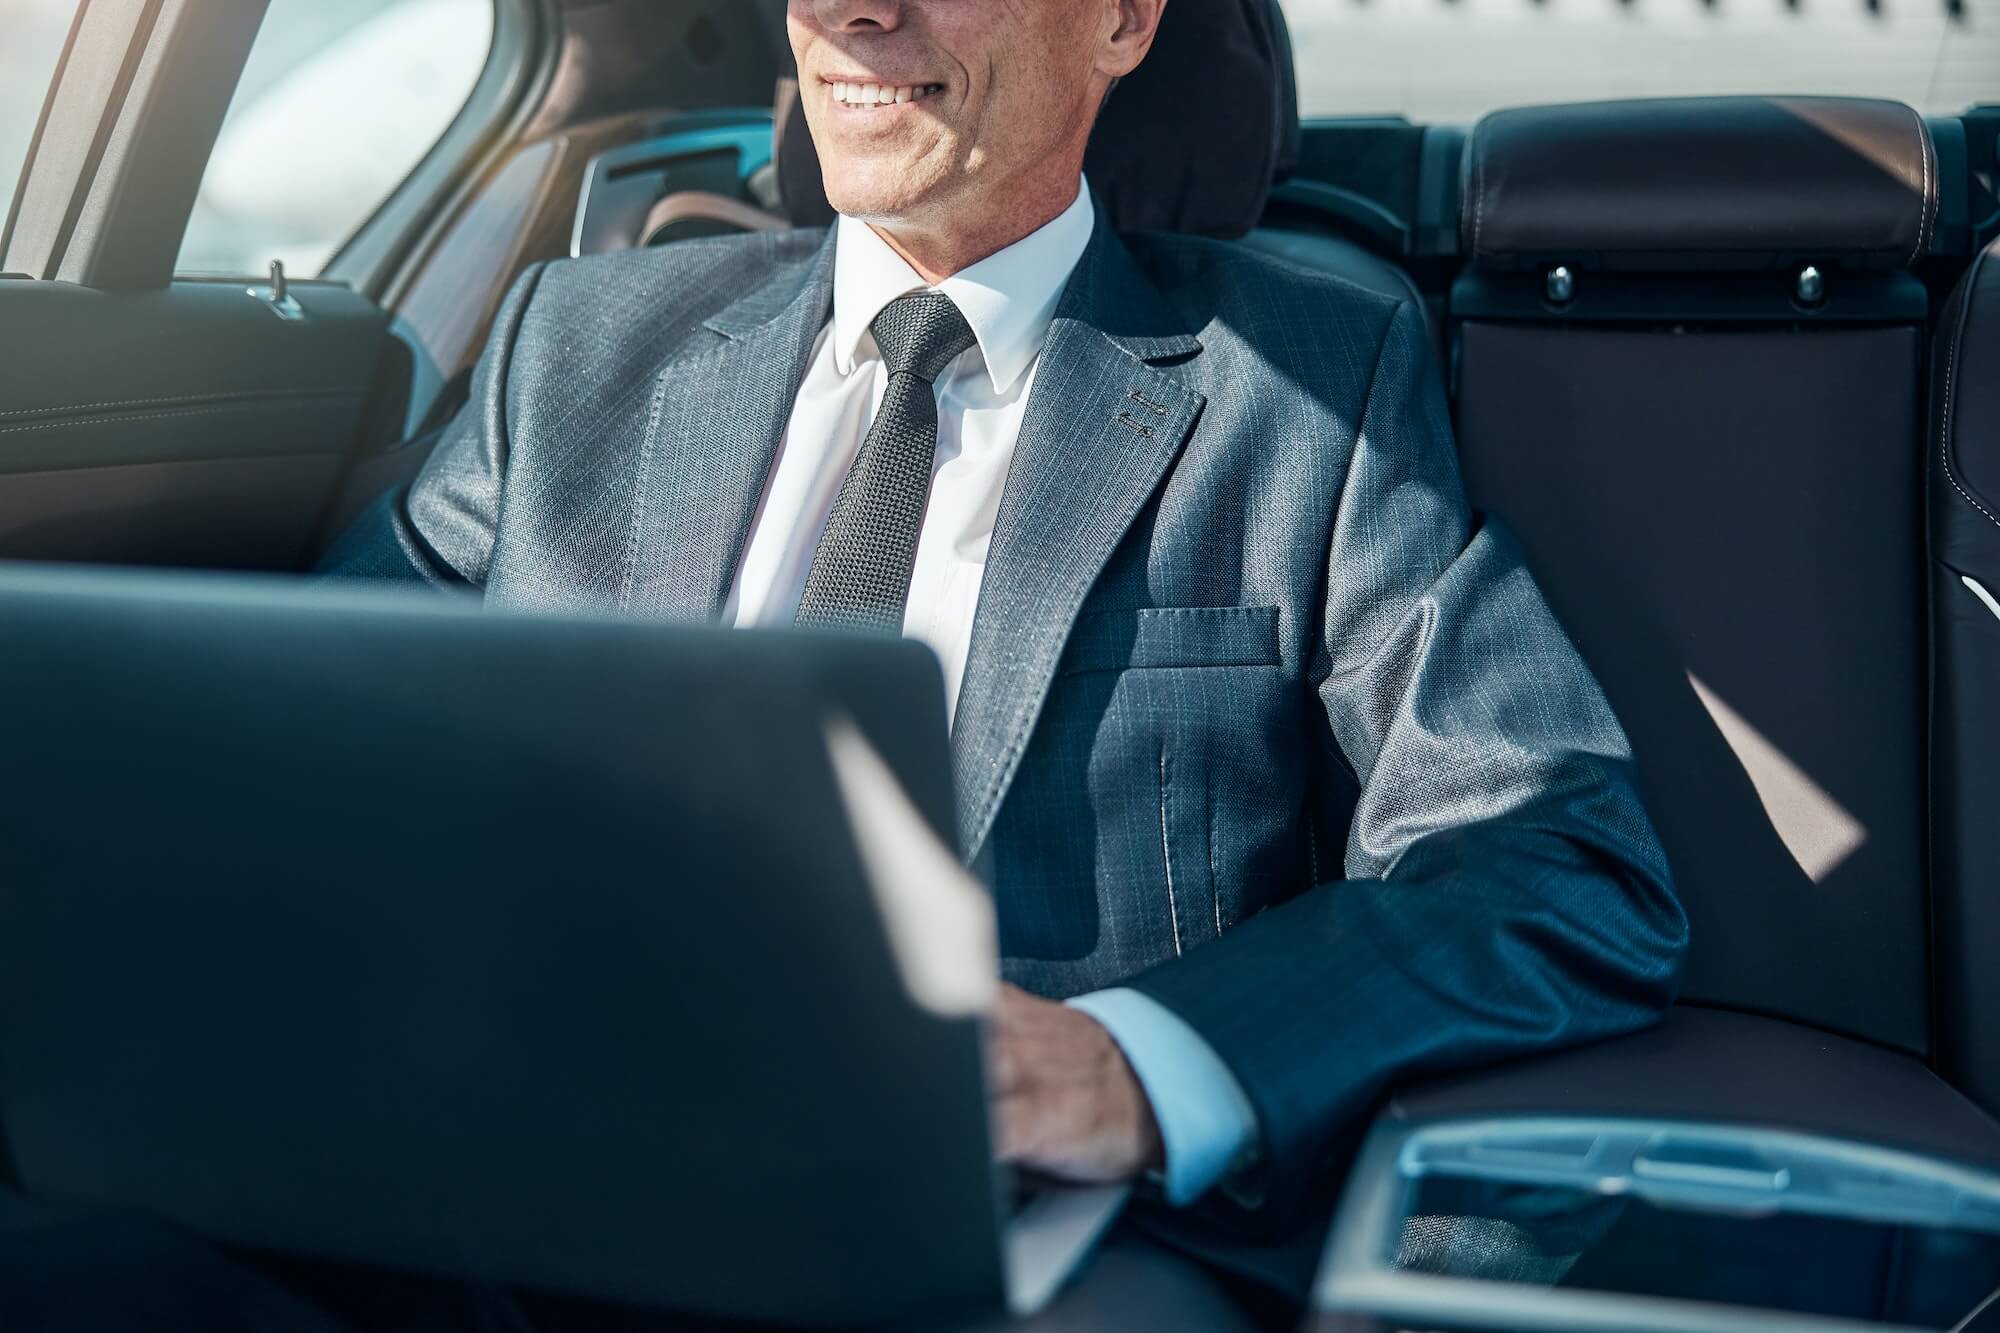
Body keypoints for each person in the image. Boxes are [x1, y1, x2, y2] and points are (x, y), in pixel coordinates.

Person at [0, 1, 1686, 1328]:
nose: (855, 13)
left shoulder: (1305, 385)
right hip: (515, 1190)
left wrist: (1130, 1065)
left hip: (976, 1238)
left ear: (1123, 21)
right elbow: (310, 740)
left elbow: (1556, 860)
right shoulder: (575, 344)